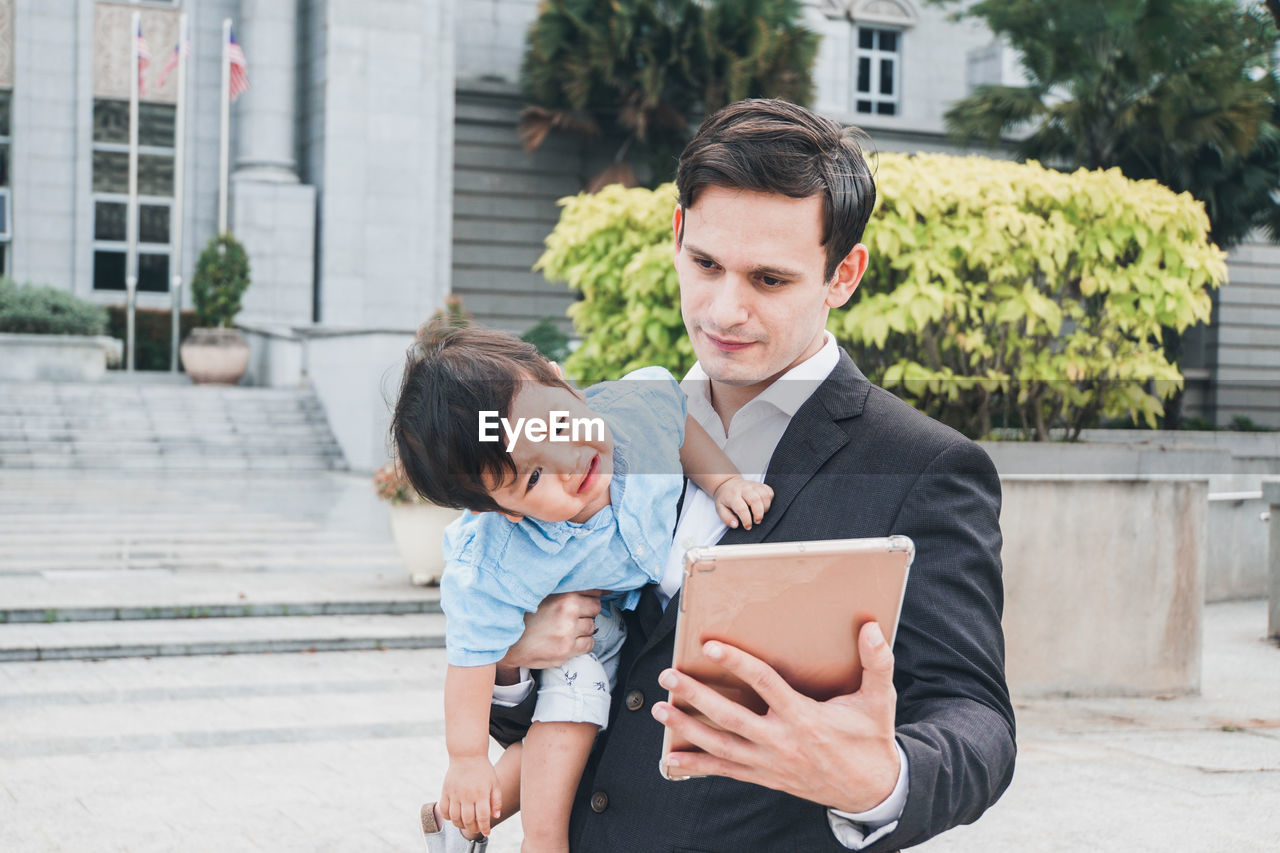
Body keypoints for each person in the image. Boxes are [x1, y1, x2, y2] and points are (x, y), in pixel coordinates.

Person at [488, 98, 1016, 852]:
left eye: (769, 279)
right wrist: (514, 656)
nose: (724, 309)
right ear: (676, 235)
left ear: (843, 276)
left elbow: (978, 718)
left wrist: (880, 778)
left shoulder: (923, 466)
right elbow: (536, 713)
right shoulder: (611, 428)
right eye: (705, 264)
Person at [390, 323, 773, 853]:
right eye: (531, 479)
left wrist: (724, 480)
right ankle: (542, 840)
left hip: (620, 613)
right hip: (586, 625)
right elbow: (471, 662)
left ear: (560, 381)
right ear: (497, 509)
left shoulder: (634, 415)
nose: (569, 463)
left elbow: (678, 419)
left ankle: (460, 822)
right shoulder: (500, 562)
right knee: (575, 701)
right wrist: (467, 759)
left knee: (589, 712)